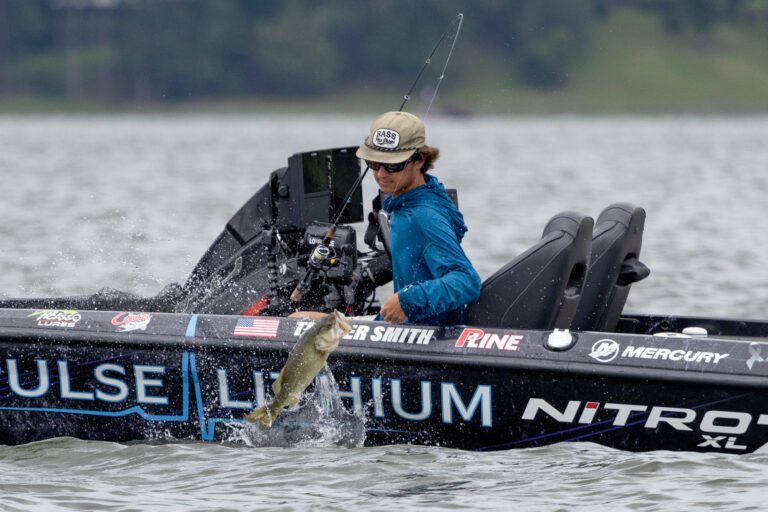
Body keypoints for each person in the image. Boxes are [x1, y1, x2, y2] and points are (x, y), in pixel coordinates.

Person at [355, 111, 481, 326]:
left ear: (419, 160)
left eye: (393, 165)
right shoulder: (420, 196)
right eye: (374, 163)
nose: (381, 174)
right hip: (413, 325)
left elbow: (467, 281)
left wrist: (407, 300)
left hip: (425, 336)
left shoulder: (423, 215)